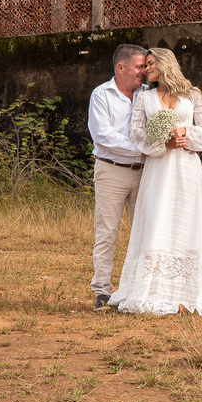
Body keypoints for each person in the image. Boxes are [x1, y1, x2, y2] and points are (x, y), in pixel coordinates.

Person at [109, 47, 202, 315]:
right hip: (158, 168)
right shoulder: (143, 98)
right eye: (144, 65)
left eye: (150, 63)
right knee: (158, 220)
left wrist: (184, 133)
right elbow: (136, 134)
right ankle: (155, 289)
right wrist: (163, 144)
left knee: (187, 221)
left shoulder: (193, 95)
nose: (146, 69)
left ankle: (189, 291)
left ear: (165, 63)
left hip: (186, 169)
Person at [87, 43, 148, 311]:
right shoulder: (102, 95)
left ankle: (138, 288)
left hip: (146, 172)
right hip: (111, 169)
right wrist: (143, 147)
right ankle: (102, 291)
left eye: (145, 67)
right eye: (139, 66)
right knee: (107, 231)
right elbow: (103, 136)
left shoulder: (147, 94)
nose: (143, 72)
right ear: (121, 67)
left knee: (144, 231)